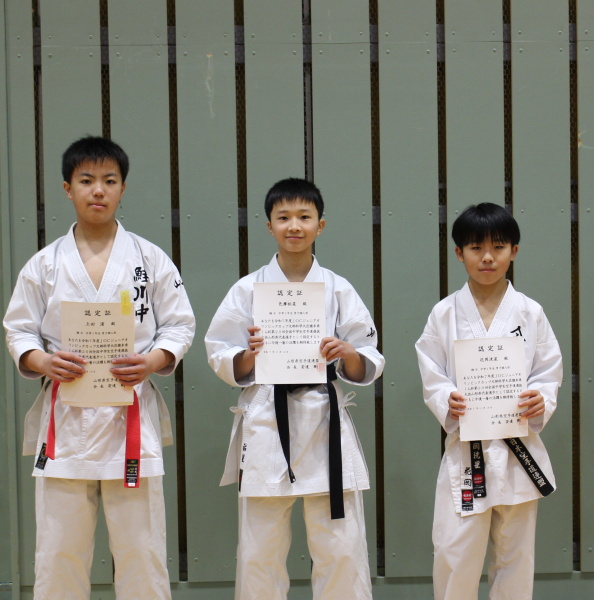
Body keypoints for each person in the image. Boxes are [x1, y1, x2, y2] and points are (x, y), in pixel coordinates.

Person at [3, 136, 195, 600]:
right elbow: (18, 330)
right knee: (59, 550)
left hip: (129, 417)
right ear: (67, 188)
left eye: (109, 181)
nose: (98, 190)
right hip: (66, 419)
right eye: (86, 180)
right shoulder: (44, 264)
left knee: (141, 549)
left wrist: (152, 360)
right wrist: (43, 360)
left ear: (123, 188)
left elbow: (180, 325)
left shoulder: (149, 259)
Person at [205, 177, 384, 600]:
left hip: (324, 418)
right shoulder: (247, 289)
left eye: (304, 216)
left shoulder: (338, 287)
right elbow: (219, 353)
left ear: (320, 225)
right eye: (283, 217)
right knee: (260, 551)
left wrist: (347, 353)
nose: (294, 226)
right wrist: (249, 355)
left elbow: (369, 356)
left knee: (340, 547)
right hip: (268, 418)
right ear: (269, 226)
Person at [415, 203, 562, 600]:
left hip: (519, 449)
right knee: (455, 553)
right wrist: (447, 399)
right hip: (467, 450)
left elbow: (548, 370)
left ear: (514, 251)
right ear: (459, 252)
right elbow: (432, 372)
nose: (487, 257)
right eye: (475, 247)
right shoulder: (444, 313)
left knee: (516, 557)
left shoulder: (530, 312)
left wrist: (541, 399)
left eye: (498, 247)